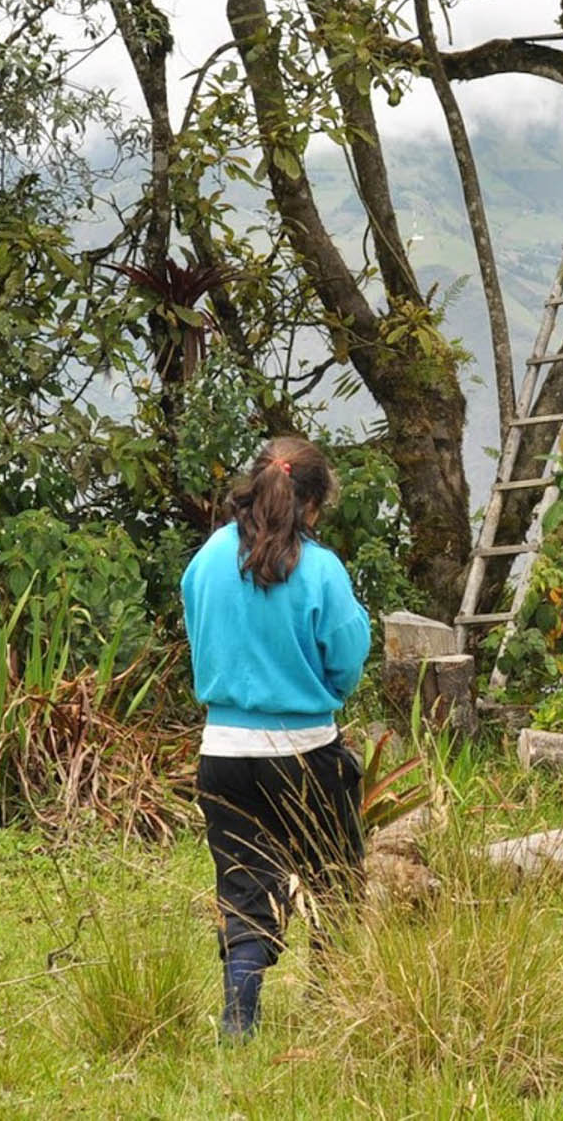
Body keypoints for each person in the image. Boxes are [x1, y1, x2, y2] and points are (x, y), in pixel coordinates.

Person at [181, 436, 370, 1040]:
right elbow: (346, 658)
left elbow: (198, 634)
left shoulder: (208, 557)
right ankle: (335, 1004)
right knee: (335, 879)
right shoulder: (321, 569)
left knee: (243, 887)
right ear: (312, 505)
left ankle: (239, 1020)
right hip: (307, 754)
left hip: (223, 753)